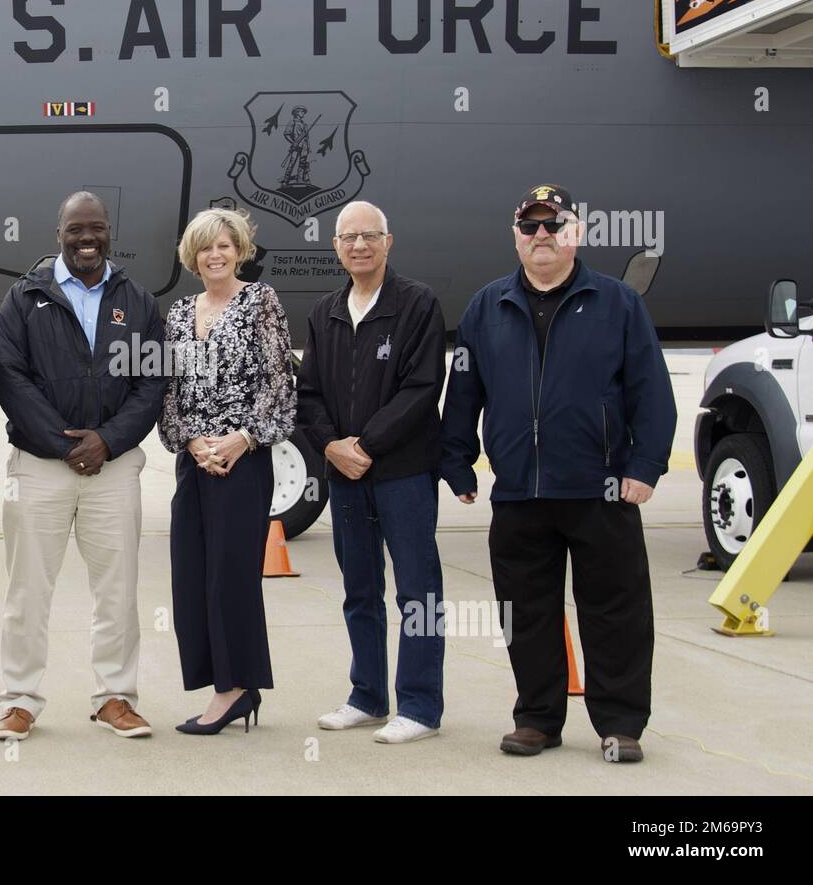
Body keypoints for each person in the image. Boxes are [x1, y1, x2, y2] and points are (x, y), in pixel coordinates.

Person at [441, 184, 676, 763]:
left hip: (602, 487)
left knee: (614, 609)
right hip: (520, 490)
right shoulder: (486, 305)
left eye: (554, 225)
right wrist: (457, 460)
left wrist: (644, 466)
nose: (541, 236)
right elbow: (464, 390)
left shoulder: (618, 303)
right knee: (524, 612)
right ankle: (538, 718)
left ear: (576, 233)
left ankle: (620, 724)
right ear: (515, 236)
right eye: (530, 227)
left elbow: (652, 392)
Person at [0, 191, 167, 740]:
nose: (86, 239)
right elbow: (9, 378)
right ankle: (20, 700)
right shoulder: (25, 298)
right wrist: (64, 444)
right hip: (41, 467)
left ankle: (115, 697)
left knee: (117, 590)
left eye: (96, 229)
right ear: (58, 234)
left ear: (110, 232)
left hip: (112, 469)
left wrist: (108, 442)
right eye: (75, 230)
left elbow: (151, 383)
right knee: (28, 591)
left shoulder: (137, 300)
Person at [297, 201, 447, 744]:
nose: (359, 245)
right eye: (348, 237)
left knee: (417, 591)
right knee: (359, 589)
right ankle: (367, 696)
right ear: (335, 247)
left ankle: (421, 707)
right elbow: (308, 393)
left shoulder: (417, 304)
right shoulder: (325, 313)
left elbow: (422, 387)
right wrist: (331, 446)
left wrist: (366, 444)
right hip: (345, 475)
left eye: (370, 236)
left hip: (403, 472)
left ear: (388, 242)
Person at [159, 207, 295, 735]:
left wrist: (241, 440)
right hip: (194, 463)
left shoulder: (260, 300)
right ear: (192, 256)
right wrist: (192, 442)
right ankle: (218, 682)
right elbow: (167, 390)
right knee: (191, 574)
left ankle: (236, 688)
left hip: (243, 460)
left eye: (225, 245)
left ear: (239, 250)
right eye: (205, 247)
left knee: (230, 577)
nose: (215, 255)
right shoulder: (176, 313)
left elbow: (278, 382)